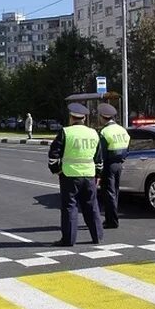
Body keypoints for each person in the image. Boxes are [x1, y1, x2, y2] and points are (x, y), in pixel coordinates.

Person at [48, 103, 104, 246]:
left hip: (70, 175)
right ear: (84, 118)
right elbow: (99, 158)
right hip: (89, 175)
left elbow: (53, 155)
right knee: (91, 206)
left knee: (70, 207)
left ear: (71, 118)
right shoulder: (94, 133)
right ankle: (97, 236)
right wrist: (98, 175)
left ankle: (69, 240)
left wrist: (56, 170)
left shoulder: (65, 132)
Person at [97, 103, 129, 229]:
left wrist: (99, 169)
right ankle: (112, 218)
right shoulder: (122, 130)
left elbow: (101, 153)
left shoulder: (105, 132)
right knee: (115, 192)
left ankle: (112, 220)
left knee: (108, 193)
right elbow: (127, 148)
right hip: (119, 164)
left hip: (108, 165)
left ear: (102, 117)